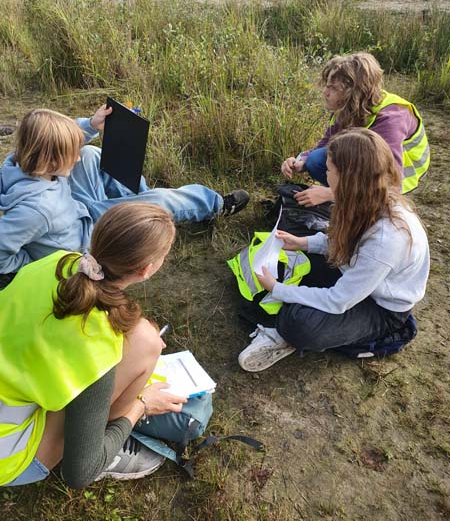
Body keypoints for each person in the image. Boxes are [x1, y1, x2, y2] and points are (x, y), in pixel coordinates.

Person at [0, 202, 194, 488]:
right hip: (8, 455)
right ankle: (111, 453)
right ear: (146, 270)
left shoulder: (57, 261)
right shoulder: (101, 347)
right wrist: (142, 405)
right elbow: (80, 473)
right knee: (144, 343)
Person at [238, 128, 430, 372]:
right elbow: (342, 241)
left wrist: (278, 290)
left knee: (298, 324)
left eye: (329, 171)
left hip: (380, 307)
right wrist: (303, 243)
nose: (325, 176)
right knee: (296, 257)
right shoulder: (361, 198)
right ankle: (291, 316)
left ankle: (285, 335)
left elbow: (338, 301)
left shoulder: (388, 239)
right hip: (355, 277)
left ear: (348, 178)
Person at [0, 106, 249, 275]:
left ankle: (141, 215)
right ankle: (213, 205)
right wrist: (34, 265)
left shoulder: (17, 162)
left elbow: (57, 139)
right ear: (51, 161)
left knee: (89, 155)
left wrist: (90, 125)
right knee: (158, 201)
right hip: (86, 241)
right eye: (69, 154)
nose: (73, 159)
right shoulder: (37, 211)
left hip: (75, 212)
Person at [281, 52, 429, 207]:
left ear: (354, 92)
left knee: (373, 201)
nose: (325, 92)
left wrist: (332, 193)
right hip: (366, 161)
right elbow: (327, 143)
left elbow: (390, 184)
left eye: (333, 88)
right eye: (326, 85)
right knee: (315, 160)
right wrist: (301, 160)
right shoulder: (348, 107)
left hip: (398, 176)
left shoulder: (391, 119)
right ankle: (349, 200)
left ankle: (354, 203)